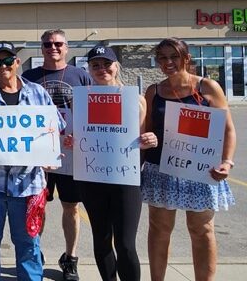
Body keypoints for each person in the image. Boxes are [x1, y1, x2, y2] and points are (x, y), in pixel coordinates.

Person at [0, 41, 64, 281]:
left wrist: (49, 150)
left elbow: (57, 124)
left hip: (28, 184)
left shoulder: (38, 93)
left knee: (29, 243)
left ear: (17, 62)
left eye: (8, 60)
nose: (3, 65)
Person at [142, 38, 235, 281]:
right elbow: (147, 130)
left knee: (201, 230)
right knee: (160, 230)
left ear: (186, 57)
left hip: (200, 169)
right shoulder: (154, 91)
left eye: (173, 56)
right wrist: (146, 139)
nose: (168, 62)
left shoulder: (208, 87)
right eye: (162, 57)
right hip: (161, 168)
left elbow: (227, 130)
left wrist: (226, 161)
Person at [66, 46, 158, 281]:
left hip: (126, 178)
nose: (101, 69)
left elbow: (142, 136)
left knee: (126, 243)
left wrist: (149, 140)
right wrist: (69, 140)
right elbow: (75, 136)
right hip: (93, 177)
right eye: (95, 65)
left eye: (107, 63)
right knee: (102, 239)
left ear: (117, 66)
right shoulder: (80, 101)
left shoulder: (135, 100)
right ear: (88, 69)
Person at [21, 29, 91, 281]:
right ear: (41, 48)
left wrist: (83, 137)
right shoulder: (29, 77)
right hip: (38, 153)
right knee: (37, 206)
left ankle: (70, 258)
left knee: (71, 206)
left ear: (67, 47)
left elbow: (90, 113)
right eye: (48, 44)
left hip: (71, 153)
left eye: (58, 43)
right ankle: (34, 254)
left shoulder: (80, 76)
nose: (53, 47)